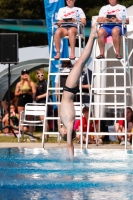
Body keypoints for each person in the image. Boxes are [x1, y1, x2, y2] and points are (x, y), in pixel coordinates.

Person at [60, 24, 98, 159]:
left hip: (70, 91)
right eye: (61, 133)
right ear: (66, 133)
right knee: (81, 61)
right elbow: (70, 144)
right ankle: (92, 36)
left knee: (81, 62)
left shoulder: (63, 122)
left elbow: (64, 134)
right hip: (69, 89)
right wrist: (71, 159)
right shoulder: (69, 125)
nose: (60, 131)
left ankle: (93, 37)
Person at [15, 69, 36, 137]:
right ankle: (20, 133)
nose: (25, 75)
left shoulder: (31, 83)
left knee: (30, 117)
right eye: (23, 73)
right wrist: (20, 92)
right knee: (21, 117)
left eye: (26, 73)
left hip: (28, 99)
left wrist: (28, 92)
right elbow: (16, 94)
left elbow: (34, 93)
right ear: (21, 75)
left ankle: (31, 133)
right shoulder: (19, 83)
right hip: (21, 100)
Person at [35, 69, 49, 135]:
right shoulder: (38, 83)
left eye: (42, 75)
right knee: (42, 118)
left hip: (43, 102)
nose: (40, 76)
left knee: (43, 118)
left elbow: (47, 93)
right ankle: (46, 134)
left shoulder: (45, 82)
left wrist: (38, 97)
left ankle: (46, 134)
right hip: (39, 102)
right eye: (39, 75)